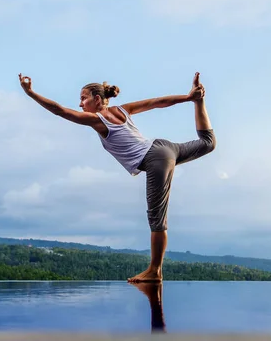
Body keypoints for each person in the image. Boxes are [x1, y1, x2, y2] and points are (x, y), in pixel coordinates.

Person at [18, 72, 216, 283]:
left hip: (154, 158)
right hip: (164, 148)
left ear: (97, 99)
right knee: (207, 143)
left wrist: (31, 93)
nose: (80, 103)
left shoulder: (97, 119)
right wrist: (190, 98)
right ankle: (200, 102)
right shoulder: (123, 109)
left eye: (83, 98)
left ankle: (155, 271)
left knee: (157, 218)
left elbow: (60, 111)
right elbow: (157, 102)